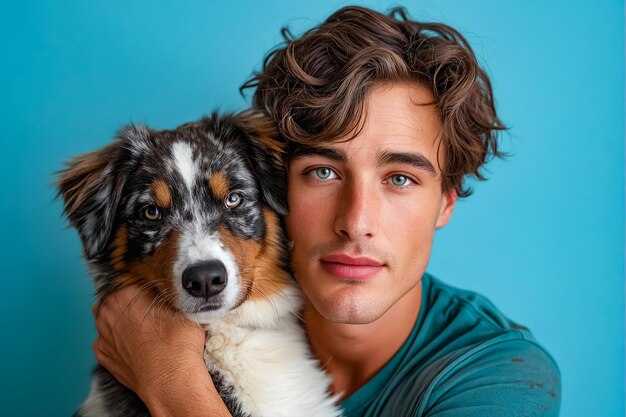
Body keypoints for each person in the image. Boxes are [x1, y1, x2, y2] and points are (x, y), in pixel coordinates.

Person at [92, 6, 561, 416]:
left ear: (445, 201)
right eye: (323, 173)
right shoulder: (226, 307)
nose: (356, 221)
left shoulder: (502, 379)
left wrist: (169, 378)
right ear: (278, 187)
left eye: (400, 178)